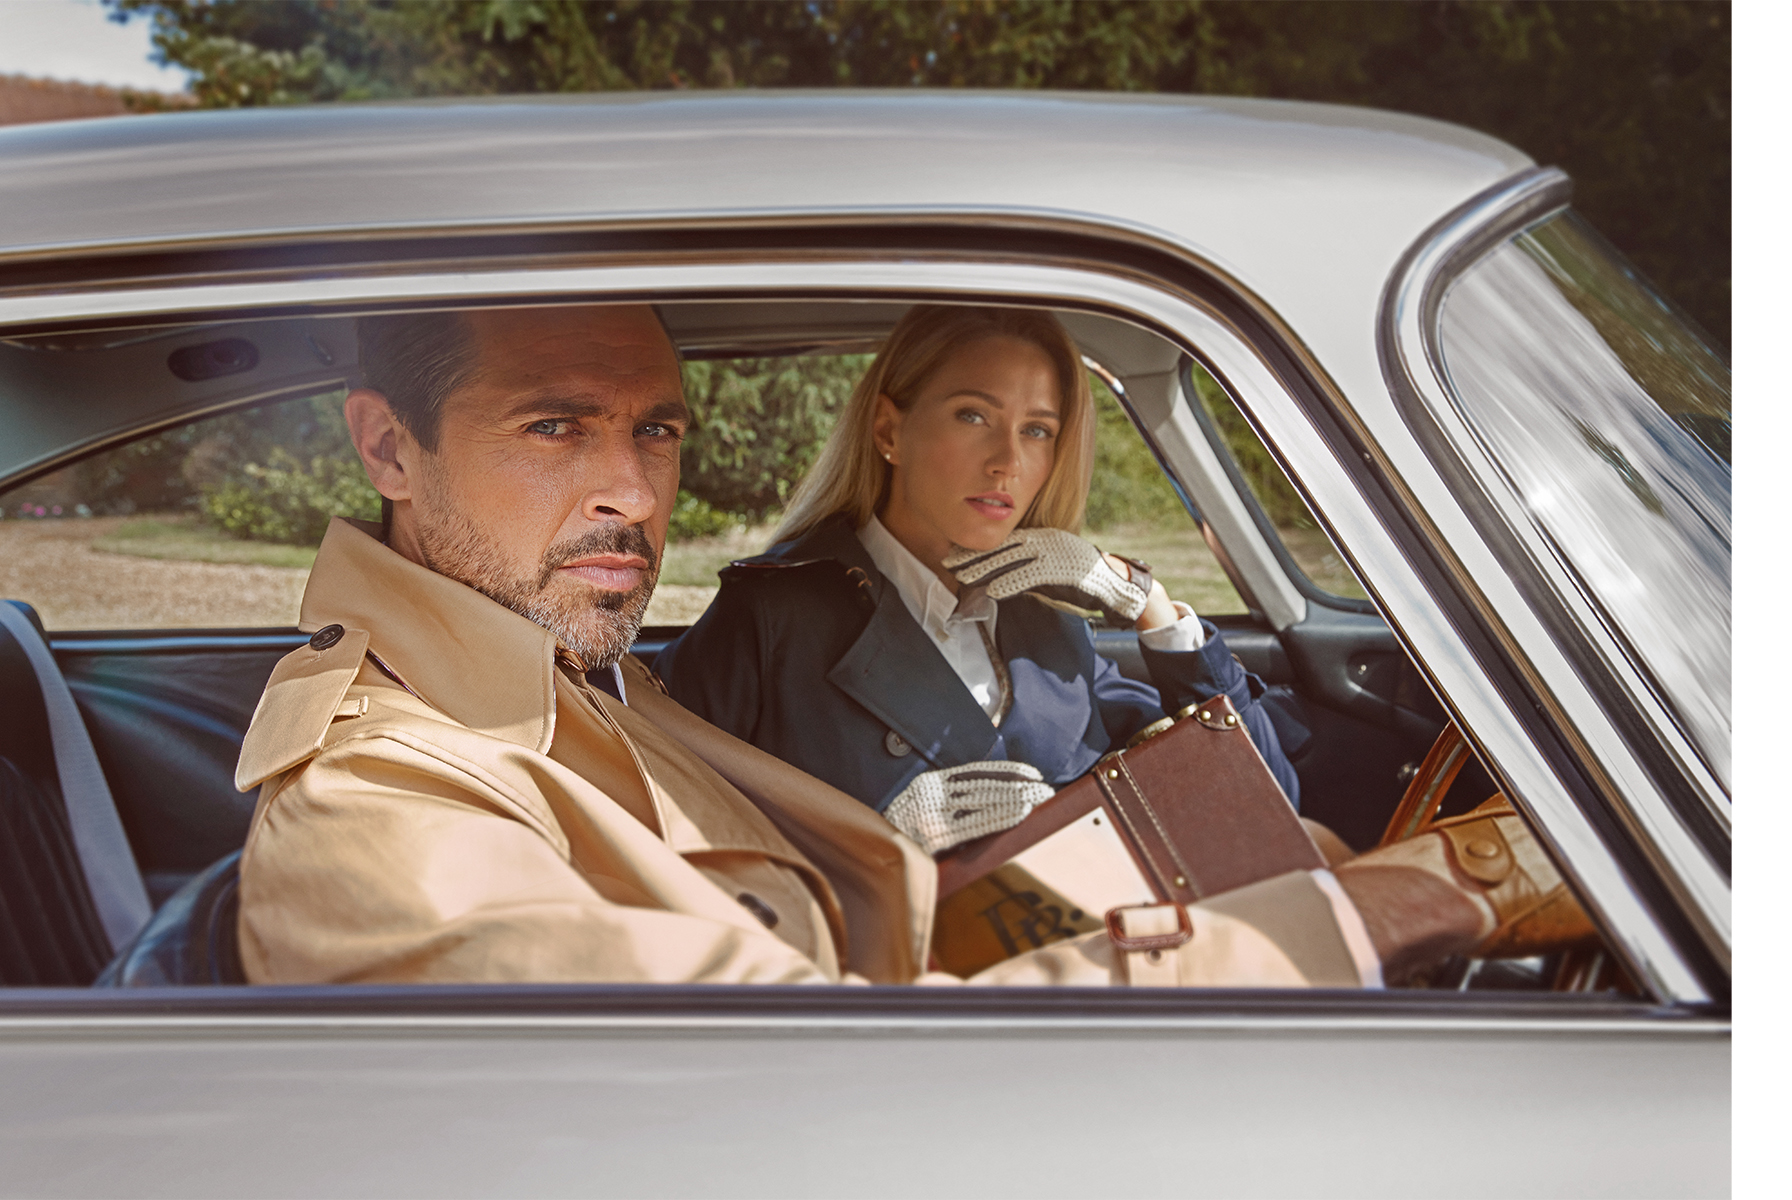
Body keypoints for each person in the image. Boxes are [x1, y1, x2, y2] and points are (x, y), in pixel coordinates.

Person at [231, 302, 1581, 989]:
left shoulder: (580, 679)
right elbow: (840, 1067)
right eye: (556, 428)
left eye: (658, 432)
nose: (637, 497)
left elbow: (902, 916)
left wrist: (1263, 875)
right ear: (387, 446)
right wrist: (1405, 899)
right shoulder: (380, 805)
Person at [654, 305, 1302, 856]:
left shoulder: (1050, 627)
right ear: (889, 430)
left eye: (1038, 430)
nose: (1008, 461)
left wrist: (1148, 603)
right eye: (973, 416)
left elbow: (1262, 802)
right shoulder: (771, 615)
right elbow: (662, 838)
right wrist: (871, 845)